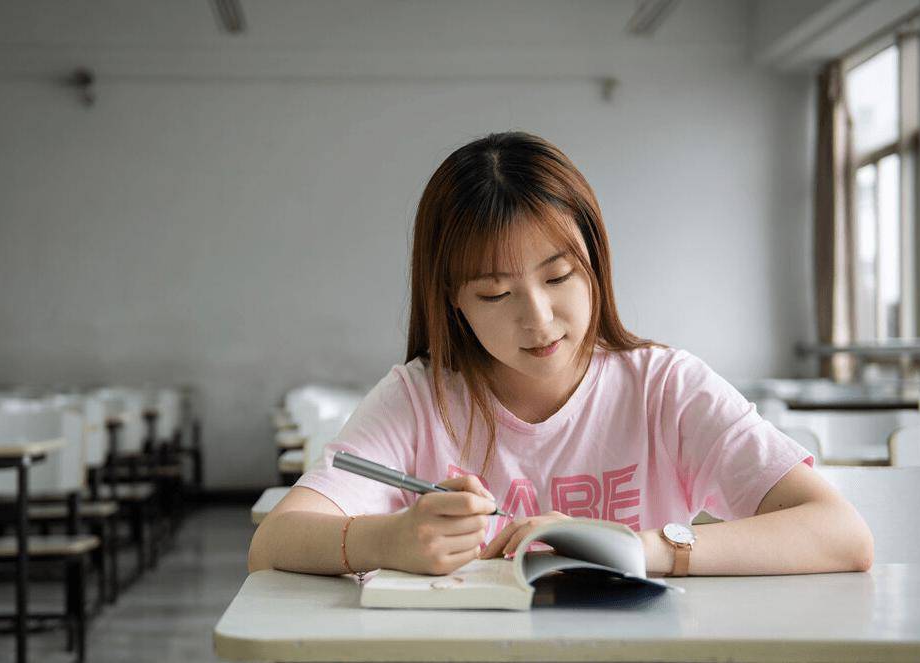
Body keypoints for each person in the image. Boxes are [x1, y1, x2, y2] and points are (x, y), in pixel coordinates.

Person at [248, 131, 873, 579]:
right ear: (452, 300)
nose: (539, 319)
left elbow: (841, 533)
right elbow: (273, 542)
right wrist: (388, 540)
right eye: (495, 294)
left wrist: (640, 549)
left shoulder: (664, 386)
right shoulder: (420, 398)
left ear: (595, 262)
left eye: (559, 277)